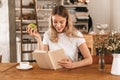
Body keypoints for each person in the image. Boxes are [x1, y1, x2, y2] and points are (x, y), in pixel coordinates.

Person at [26, 5, 92, 69]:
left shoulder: (76, 35)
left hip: (70, 72)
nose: (58, 25)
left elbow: (89, 59)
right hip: (53, 72)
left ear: (67, 21)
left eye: (61, 22)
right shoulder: (48, 34)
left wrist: (72, 65)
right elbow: (43, 58)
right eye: (55, 22)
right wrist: (38, 38)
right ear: (51, 21)